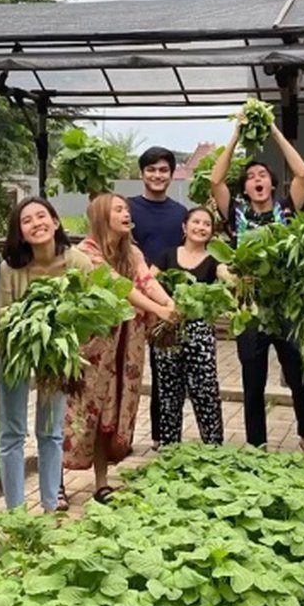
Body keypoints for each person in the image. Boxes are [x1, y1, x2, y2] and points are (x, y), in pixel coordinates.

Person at [210, 114, 304, 456]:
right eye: (250, 177)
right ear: (244, 188)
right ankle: (257, 447)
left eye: (263, 176)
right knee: (252, 381)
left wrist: (272, 129)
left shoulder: (286, 210)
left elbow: (302, 173)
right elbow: (215, 181)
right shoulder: (236, 214)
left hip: (285, 306)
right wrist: (236, 135)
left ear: (272, 185)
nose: (257, 180)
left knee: (298, 374)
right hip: (250, 309)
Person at [63, 193, 175, 501]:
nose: (127, 213)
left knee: (108, 414)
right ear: (101, 217)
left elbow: (145, 280)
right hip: (94, 348)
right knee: (80, 411)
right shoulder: (86, 253)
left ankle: (102, 482)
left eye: (126, 208)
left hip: (126, 345)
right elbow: (119, 287)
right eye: (119, 210)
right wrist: (160, 309)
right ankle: (56, 482)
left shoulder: (132, 252)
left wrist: (170, 303)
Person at [0, 197, 92, 514]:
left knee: (51, 432)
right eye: (27, 220)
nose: (36, 223)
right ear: (20, 233)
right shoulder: (10, 270)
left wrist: (63, 341)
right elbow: (2, 321)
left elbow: (89, 317)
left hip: (59, 355)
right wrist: (25, 339)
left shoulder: (78, 263)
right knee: (12, 433)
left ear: (56, 221)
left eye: (42, 216)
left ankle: (50, 506)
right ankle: (15, 513)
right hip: (15, 353)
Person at [151, 206, 230, 446]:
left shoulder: (215, 260)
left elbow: (228, 276)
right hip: (168, 333)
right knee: (168, 394)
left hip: (200, 335)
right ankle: (169, 449)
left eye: (206, 224)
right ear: (185, 227)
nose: (201, 227)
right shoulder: (166, 255)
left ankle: (213, 449)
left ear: (211, 232)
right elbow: (148, 281)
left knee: (205, 391)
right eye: (196, 222)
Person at [129, 146, 188, 448]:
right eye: (151, 169)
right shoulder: (127, 209)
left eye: (163, 169)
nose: (157, 175)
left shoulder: (181, 214)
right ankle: (120, 436)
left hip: (167, 301)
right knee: (128, 369)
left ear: (171, 174)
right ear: (142, 174)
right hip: (129, 300)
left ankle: (160, 435)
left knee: (166, 371)